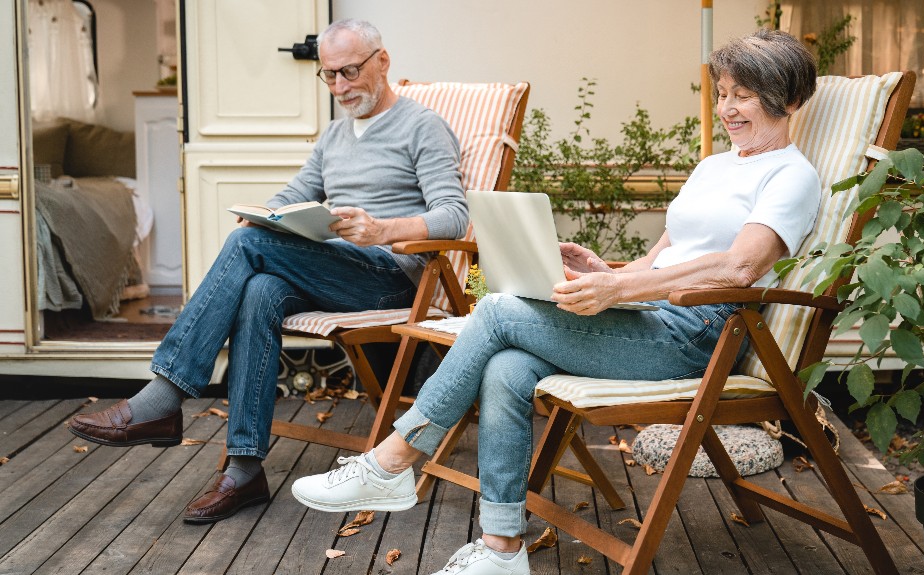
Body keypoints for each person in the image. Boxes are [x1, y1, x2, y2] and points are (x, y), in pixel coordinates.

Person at [290, 27, 822, 575]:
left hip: (698, 335)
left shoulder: (792, 175)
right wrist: (606, 271)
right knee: (508, 366)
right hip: (651, 316)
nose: (728, 108)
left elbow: (741, 266)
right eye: (723, 92)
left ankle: (393, 460)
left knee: (495, 311)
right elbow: (663, 257)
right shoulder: (715, 166)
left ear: (789, 99)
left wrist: (618, 290)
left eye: (744, 95)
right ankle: (502, 548)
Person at [67, 19, 467, 524]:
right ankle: (244, 470)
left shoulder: (423, 126)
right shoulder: (335, 135)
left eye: (350, 72)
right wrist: (266, 214)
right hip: (336, 270)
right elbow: (296, 191)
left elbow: (454, 215)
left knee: (248, 247)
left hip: (391, 277)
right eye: (329, 76)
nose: (340, 87)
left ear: (382, 62)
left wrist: (383, 229)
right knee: (260, 287)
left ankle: (164, 397)